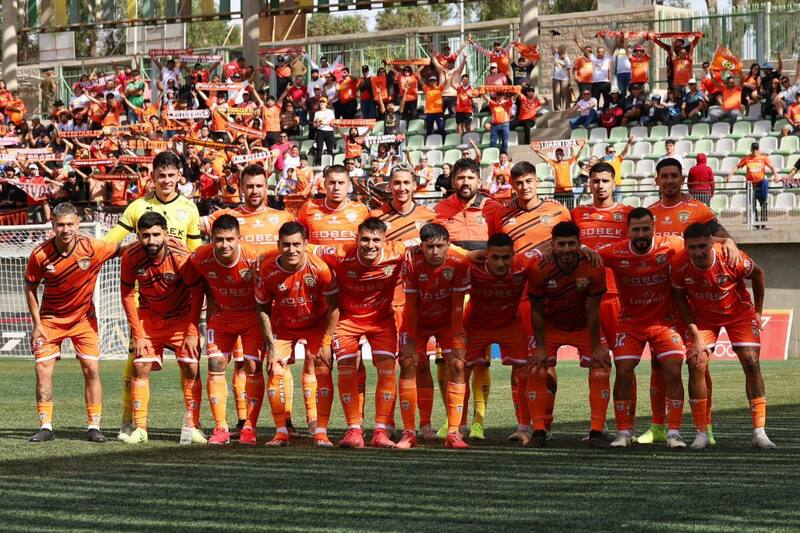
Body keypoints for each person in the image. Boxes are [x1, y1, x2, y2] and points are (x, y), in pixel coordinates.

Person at [103, 151, 202, 441]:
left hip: (179, 293)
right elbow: (111, 242)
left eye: (172, 175)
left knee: (190, 366)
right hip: (143, 295)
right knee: (134, 364)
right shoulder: (137, 207)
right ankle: (129, 422)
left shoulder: (189, 209)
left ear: (180, 176)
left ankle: (191, 424)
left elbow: (194, 255)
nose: (167, 181)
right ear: (153, 176)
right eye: (162, 175)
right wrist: (90, 255)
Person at [645, 157, 738, 445]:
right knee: (659, 363)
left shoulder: (697, 210)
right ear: (657, 180)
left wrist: (731, 242)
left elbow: (722, 235)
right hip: (660, 296)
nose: (670, 180)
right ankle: (658, 426)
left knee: (699, 362)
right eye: (665, 176)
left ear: (682, 178)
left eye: (674, 175)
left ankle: (705, 427)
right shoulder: (648, 214)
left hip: (691, 297)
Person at [483, 161, 572, 443]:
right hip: (517, 297)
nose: (524, 187)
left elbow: (570, 247)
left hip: (553, 296)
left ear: (538, 182)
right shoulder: (502, 215)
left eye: (529, 181)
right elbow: (495, 252)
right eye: (518, 183)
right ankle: (523, 424)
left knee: (546, 362)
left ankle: (545, 420)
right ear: (512, 184)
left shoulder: (558, 211)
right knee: (519, 364)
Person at [671, 222, 775, 449]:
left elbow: (758, 275)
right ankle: (701, 432)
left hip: (738, 313)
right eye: (692, 247)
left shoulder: (731, 256)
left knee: (751, 362)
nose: (698, 252)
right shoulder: (678, 265)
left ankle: (760, 432)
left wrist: (758, 311)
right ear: (685, 246)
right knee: (696, 362)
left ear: (712, 243)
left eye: (702, 246)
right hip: (703, 317)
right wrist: (694, 333)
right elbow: (680, 299)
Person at [25, 202, 120, 443]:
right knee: (42, 370)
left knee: (91, 368)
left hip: (83, 320)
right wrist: (37, 324)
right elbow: (30, 287)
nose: (65, 229)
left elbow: (123, 250)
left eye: (70, 224)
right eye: (60, 225)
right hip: (50, 321)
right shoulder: (40, 254)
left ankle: (93, 426)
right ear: (52, 226)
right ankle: (45, 425)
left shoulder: (93, 247)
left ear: (78, 225)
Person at [597, 207, 687, 449]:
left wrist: (727, 243)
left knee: (673, 370)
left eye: (645, 229)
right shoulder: (615, 252)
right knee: (623, 370)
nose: (641, 234)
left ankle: (674, 432)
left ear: (653, 229)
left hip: (663, 323)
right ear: (628, 231)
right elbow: (586, 254)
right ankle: (624, 432)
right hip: (630, 324)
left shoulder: (671, 245)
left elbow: (701, 242)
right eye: (636, 229)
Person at [315, 218, 404, 448]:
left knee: (387, 368)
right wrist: (264, 256)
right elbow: (305, 248)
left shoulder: (398, 252)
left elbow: (428, 247)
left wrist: (469, 254)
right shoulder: (340, 252)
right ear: (356, 239)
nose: (370, 245)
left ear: (385, 241)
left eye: (376, 240)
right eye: (365, 239)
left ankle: (380, 431)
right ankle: (354, 430)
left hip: (381, 320)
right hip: (348, 320)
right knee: (346, 368)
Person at [118, 212, 205, 445]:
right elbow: (126, 295)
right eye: (145, 235)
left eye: (156, 234)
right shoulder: (130, 256)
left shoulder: (181, 256)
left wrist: (192, 330)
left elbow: (197, 293)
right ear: (138, 235)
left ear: (166, 233)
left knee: (191, 368)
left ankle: (191, 426)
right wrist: (137, 332)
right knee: (140, 368)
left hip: (181, 317)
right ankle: (140, 428)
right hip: (150, 318)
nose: (151, 241)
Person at [256, 222, 340, 447]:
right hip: (284, 326)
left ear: (305, 245)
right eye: (286, 245)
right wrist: (271, 345)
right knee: (273, 367)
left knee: (322, 365)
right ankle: (281, 432)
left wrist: (326, 341)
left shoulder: (320, 268)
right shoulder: (267, 270)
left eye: (296, 245)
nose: (291, 250)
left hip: (316, 324)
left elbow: (335, 307)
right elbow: (262, 307)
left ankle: (320, 431)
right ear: (278, 245)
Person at [185, 215, 265, 445]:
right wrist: (194, 324)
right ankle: (220, 428)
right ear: (211, 239)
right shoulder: (200, 257)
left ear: (239, 238)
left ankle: (249, 428)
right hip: (220, 318)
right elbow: (195, 287)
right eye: (219, 239)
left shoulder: (253, 259)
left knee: (251, 366)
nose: (224, 245)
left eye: (230, 239)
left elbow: (265, 292)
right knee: (215, 365)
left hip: (251, 317)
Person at [528, 221, 609, 447]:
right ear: (552, 245)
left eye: (571, 244)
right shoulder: (539, 268)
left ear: (579, 244)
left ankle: (596, 431)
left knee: (601, 366)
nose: (566, 249)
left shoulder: (593, 266)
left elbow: (593, 309)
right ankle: (539, 431)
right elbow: (535, 308)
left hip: (583, 325)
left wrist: (595, 348)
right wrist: (541, 347)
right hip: (551, 325)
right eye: (561, 244)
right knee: (535, 367)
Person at [399, 223, 471, 449]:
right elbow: (410, 306)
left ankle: (453, 432)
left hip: (447, 324)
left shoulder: (459, 263)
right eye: (429, 247)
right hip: (417, 323)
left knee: (458, 365)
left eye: (440, 246)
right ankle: (413, 431)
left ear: (448, 245)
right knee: (410, 363)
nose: (435, 252)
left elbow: (458, 306)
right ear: (421, 247)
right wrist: (410, 341)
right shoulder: (411, 264)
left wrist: (458, 340)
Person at [571, 161, 633, 397]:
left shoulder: (627, 214)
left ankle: (625, 426)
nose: (600, 186)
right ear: (589, 184)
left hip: (619, 296)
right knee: (596, 362)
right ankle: (598, 425)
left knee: (625, 363)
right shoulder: (577, 214)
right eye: (595, 181)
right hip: (588, 298)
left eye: (605, 181)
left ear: (614, 183)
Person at [727, 143, 777, 230]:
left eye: (756, 149)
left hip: (760, 183)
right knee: (752, 204)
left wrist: (776, 176)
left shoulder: (763, 158)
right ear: (751, 149)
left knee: (763, 203)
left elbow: (772, 166)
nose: (755, 151)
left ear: (759, 149)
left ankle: (763, 223)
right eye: (753, 149)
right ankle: (756, 223)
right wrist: (730, 175)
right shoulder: (747, 158)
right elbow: (737, 167)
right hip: (750, 184)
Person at [532, 140, 587, 209]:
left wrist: (582, 147)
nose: (558, 156)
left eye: (560, 154)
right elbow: (544, 157)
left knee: (570, 209)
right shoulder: (553, 163)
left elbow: (577, 156)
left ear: (563, 155)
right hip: (558, 191)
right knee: (557, 209)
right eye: (557, 154)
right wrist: (535, 151)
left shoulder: (568, 162)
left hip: (568, 191)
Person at [313, 97, 336, 166]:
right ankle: (319, 163)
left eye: (323, 102)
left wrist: (326, 123)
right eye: (320, 102)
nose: (321, 103)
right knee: (319, 147)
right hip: (320, 130)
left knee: (329, 148)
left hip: (329, 130)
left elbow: (333, 122)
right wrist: (318, 124)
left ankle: (330, 163)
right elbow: (314, 124)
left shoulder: (330, 111)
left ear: (326, 103)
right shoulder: (317, 113)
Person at [551, 44, 572, 111]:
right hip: (556, 78)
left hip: (565, 79)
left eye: (563, 49)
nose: (561, 50)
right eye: (560, 49)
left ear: (565, 51)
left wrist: (569, 80)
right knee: (556, 94)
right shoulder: (556, 55)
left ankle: (565, 109)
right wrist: (551, 37)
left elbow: (568, 71)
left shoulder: (567, 59)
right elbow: (552, 47)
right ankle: (557, 109)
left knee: (564, 94)